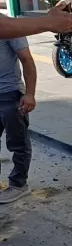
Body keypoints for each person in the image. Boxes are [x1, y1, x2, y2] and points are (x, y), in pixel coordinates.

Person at [0, 14, 37, 203]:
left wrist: (29, 94)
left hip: (10, 94)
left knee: (18, 143)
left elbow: (27, 61)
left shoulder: (10, 27)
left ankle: (19, 184)